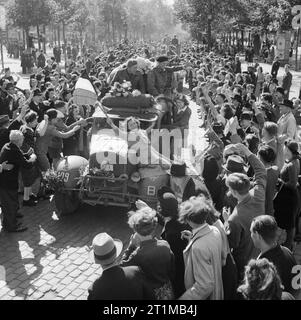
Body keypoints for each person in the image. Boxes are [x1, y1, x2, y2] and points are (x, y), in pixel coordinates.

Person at [224, 143, 267, 279]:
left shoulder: (234, 218)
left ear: (234, 192)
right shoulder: (258, 194)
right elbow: (261, 170)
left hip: (243, 262)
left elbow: (232, 244)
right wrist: (246, 151)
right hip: (261, 252)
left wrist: (226, 222)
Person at [121, 207, 175, 300]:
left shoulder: (137, 254)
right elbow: (172, 268)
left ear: (136, 230)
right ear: (153, 227)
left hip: (149, 294)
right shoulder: (165, 245)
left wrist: (131, 246)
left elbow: (123, 266)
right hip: (167, 291)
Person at [178, 196, 224, 300]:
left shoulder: (198, 248)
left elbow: (204, 286)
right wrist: (192, 238)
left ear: (188, 219)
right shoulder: (215, 230)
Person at [87, 233, 154, 300]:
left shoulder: (94, 289)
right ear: (116, 252)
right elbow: (150, 296)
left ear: (96, 259)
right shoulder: (135, 272)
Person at [250, 215, 298, 296]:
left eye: (251, 232)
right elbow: (297, 287)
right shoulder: (288, 251)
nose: (250, 235)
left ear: (258, 235)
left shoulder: (262, 267)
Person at [0, 130, 37, 233]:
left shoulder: (8, 145)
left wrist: (26, 154)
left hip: (7, 181)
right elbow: (27, 165)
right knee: (9, 204)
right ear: (18, 140)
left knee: (11, 202)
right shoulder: (14, 150)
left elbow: (18, 158)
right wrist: (33, 158)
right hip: (7, 183)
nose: (23, 141)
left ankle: (13, 216)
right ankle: (11, 226)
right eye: (22, 139)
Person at [274, 139, 300, 251]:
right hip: (290, 196)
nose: (283, 149)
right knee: (291, 221)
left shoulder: (292, 164)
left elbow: (293, 184)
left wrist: (280, 181)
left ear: (289, 149)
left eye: (285, 147)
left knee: (290, 224)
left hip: (290, 197)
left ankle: (289, 246)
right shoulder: (293, 160)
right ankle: (289, 244)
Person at [258, 145, 279, 216]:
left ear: (261, 158)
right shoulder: (276, 169)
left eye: (258, 156)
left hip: (262, 209)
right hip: (271, 207)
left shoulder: (261, 175)